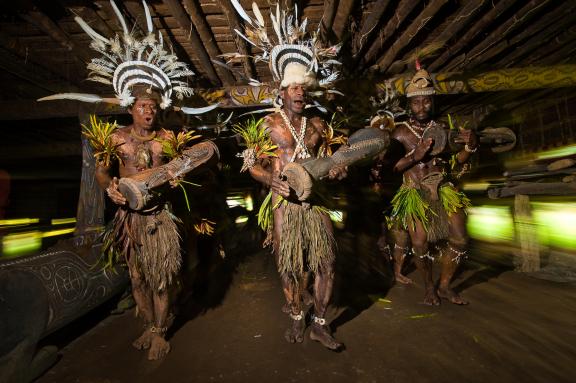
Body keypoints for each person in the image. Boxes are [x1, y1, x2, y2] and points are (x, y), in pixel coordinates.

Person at [37, 0, 218, 359]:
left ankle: (160, 331)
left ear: (159, 110)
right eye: (141, 106)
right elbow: (102, 173)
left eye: (153, 107)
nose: (148, 112)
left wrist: (178, 179)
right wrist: (110, 190)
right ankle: (150, 325)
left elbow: (188, 167)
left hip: (161, 217)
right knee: (137, 277)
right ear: (130, 108)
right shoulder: (116, 138)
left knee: (163, 277)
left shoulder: (170, 140)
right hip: (129, 220)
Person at [230, 1, 346, 350]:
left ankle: (320, 324)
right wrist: (269, 180)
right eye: (293, 88)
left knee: (327, 262)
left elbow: (328, 160)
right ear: (281, 92)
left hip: (316, 201)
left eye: (303, 88)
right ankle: (297, 316)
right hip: (283, 201)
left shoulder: (318, 125)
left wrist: (337, 169)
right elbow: (251, 164)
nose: (299, 93)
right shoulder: (267, 125)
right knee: (290, 266)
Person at [389, 62, 478, 305]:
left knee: (460, 238)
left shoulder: (442, 129)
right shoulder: (399, 133)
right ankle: (429, 287)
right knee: (419, 242)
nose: (422, 106)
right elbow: (392, 168)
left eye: (426, 101)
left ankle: (445, 286)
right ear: (409, 104)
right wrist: (414, 157)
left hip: (443, 189)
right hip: (415, 192)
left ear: (432, 102)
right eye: (416, 102)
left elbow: (457, 159)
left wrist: (470, 145)